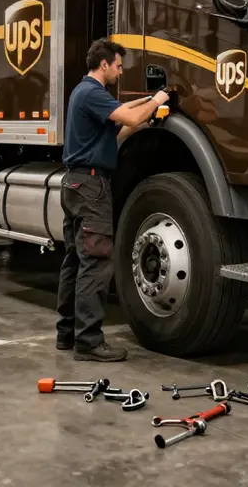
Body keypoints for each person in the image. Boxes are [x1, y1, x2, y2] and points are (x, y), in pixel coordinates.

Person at [55, 38, 169, 362]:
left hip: (76, 183)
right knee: (96, 263)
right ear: (103, 64)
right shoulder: (93, 93)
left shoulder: (83, 94)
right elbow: (129, 117)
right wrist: (158, 98)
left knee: (75, 260)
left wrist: (143, 115)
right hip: (92, 187)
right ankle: (89, 341)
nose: (120, 71)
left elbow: (117, 131)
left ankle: (66, 333)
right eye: (118, 66)